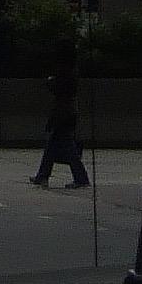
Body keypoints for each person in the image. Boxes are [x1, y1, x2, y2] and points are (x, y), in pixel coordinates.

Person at [29, 57, 90, 191]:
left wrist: (51, 81)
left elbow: (59, 89)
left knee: (67, 146)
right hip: (67, 113)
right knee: (52, 146)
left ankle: (81, 178)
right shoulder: (72, 72)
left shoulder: (66, 74)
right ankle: (43, 175)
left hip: (63, 114)